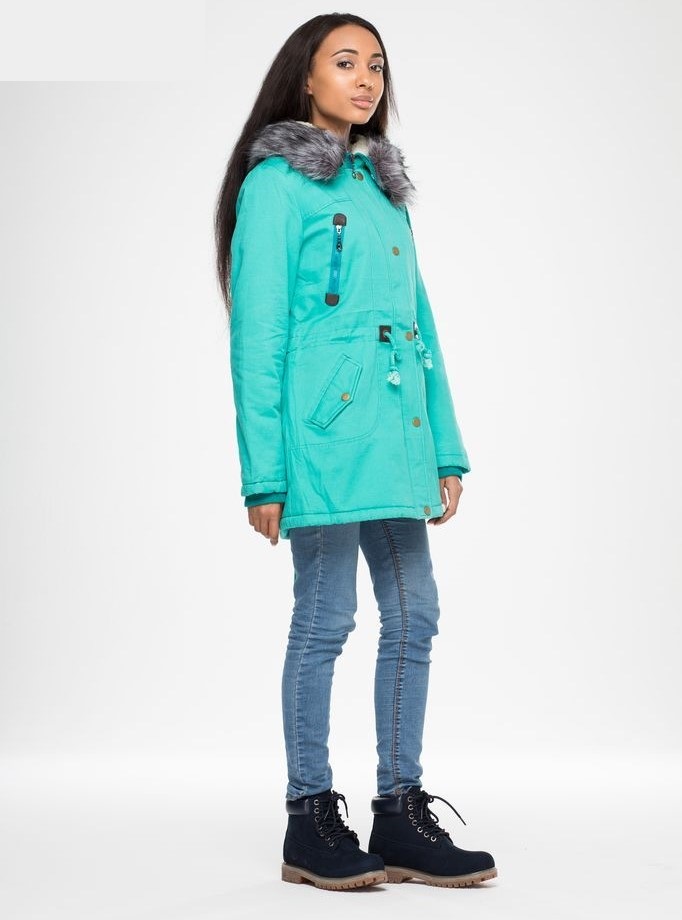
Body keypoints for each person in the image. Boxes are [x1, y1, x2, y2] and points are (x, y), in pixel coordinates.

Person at [214, 12, 497, 892]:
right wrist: (264, 471)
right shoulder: (275, 186)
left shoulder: (381, 185)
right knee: (327, 617)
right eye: (345, 62)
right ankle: (309, 816)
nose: (366, 78)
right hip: (325, 440)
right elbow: (258, 337)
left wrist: (445, 449)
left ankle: (399, 810)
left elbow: (420, 325)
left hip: (399, 436)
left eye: (376, 64)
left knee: (415, 614)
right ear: (306, 76)